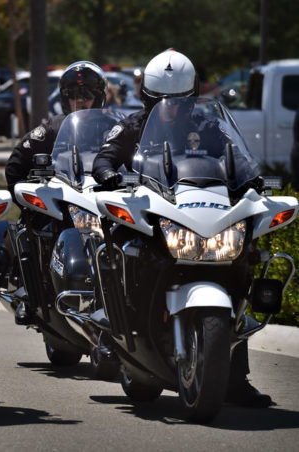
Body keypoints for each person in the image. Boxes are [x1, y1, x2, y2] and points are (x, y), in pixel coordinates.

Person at [92, 48, 273, 408]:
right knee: (118, 247)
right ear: (147, 97)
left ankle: (236, 378)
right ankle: (112, 332)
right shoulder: (132, 125)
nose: (170, 108)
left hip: (202, 215)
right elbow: (104, 156)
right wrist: (108, 173)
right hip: (154, 217)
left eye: (178, 101)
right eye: (161, 101)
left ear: (191, 99)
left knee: (241, 266)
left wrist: (254, 179)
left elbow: (240, 157)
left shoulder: (209, 125)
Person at [4, 61, 107, 325]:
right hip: (65, 199)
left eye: (86, 96)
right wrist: (26, 196)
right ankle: (32, 293)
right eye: (73, 95)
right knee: (36, 221)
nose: (79, 101)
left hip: (101, 198)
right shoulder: (52, 127)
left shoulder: (113, 128)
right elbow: (16, 162)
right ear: (64, 99)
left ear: (99, 97)